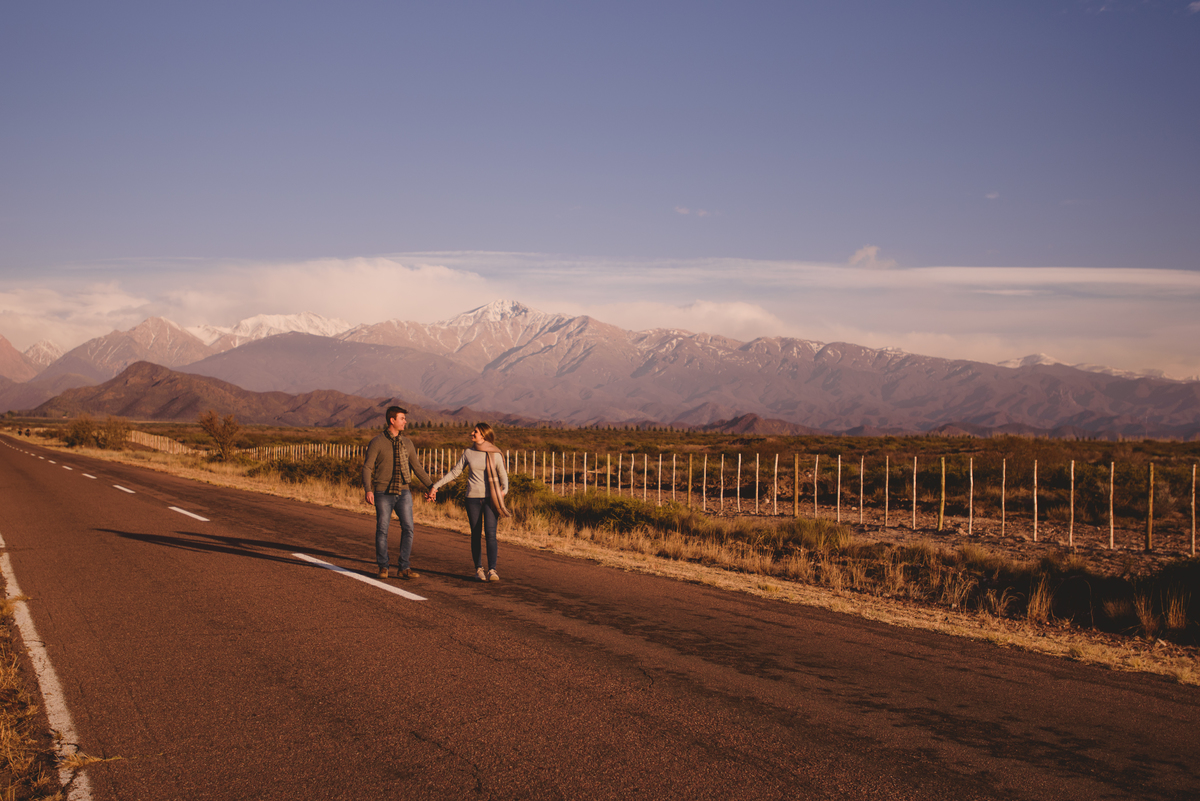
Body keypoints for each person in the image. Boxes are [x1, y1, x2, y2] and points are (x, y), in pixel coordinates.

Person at [427, 422, 510, 582]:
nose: (472, 433)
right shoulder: (468, 453)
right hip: (472, 498)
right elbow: (455, 472)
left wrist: (503, 491)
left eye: (476, 431)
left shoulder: (495, 453)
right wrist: (435, 486)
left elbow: (503, 475)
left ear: (484, 435)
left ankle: (492, 570)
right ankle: (478, 569)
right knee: (476, 534)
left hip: (491, 499)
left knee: (491, 534)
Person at [362, 406, 434, 580]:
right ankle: (383, 567)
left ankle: (404, 567)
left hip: (404, 492)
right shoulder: (377, 442)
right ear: (392, 420)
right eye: (402, 418)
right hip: (382, 492)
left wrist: (431, 486)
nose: (405, 422)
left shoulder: (407, 443)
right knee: (382, 530)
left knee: (408, 528)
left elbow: (416, 467)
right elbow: (368, 467)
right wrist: (368, 489)